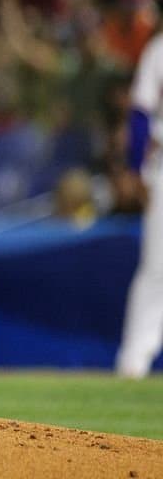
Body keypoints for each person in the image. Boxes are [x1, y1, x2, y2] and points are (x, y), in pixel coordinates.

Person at [117, 30, 163, 378]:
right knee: (157, 268)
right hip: (161, 170)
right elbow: (141, 113)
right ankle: (133, 363)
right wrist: (135, 168)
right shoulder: (158, 49)